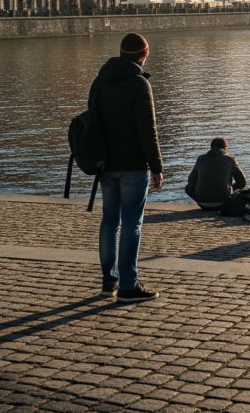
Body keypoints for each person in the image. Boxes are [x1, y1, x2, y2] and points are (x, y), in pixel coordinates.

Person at [91, 32, 164, 303]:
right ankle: (129, 285)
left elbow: (93, 123)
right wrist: (156, 166)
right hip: (133, 165)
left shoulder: (99, 81)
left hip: (106, 164)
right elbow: (149, 130)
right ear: (142, 56)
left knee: (109, 222)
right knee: (132, 224)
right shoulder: (138, 84)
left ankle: (108, 282)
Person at [184, 137, 248, 210]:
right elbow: (243, 182)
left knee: (188, 188)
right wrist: (231, 189)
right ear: (225, 148)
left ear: (211, 148)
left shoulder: (201, 159)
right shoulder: (230, 159)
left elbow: (191, 181)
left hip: (203, 203)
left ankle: (205, 202)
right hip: (224, 203)